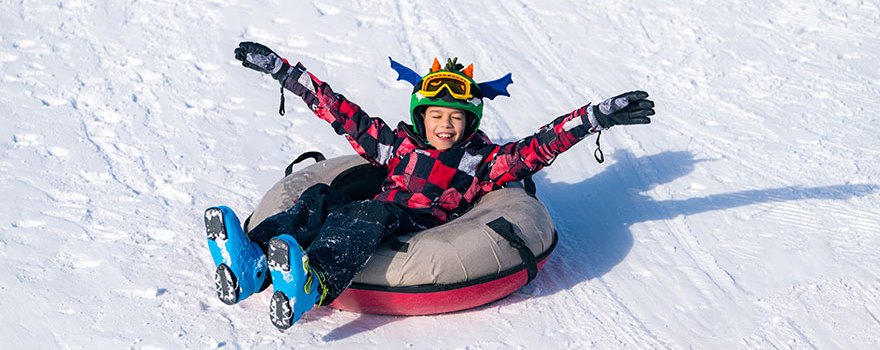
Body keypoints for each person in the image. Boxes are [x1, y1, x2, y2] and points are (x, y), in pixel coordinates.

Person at [204, 42, 656, 330]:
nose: (445, 125)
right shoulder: (395, 146)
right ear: (422, 117)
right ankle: (254, 262)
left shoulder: (484, 161)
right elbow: (340, 111)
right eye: (437, 116)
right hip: (372, 214)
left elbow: (540, 145)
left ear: (470, 122)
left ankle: (314, 282)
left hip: (415, 227)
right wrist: (284, 72)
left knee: (368, 213)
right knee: (322, 196)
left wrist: (594, 117)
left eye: (456, 118)